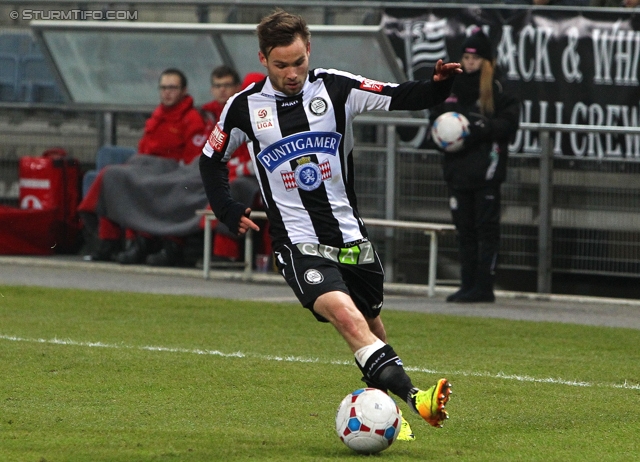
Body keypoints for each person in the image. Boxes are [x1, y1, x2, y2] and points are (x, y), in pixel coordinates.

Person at [199, 9, 461, 441]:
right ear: (263, 58)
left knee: (369, 322)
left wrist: (439, 85)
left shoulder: (337, 88)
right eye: (281, 65)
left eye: (298, 61)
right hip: (295, 242)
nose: (292, 73)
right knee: (343, 314)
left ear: (309, 50)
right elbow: (211, 159)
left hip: (349, 238)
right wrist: (227, 209)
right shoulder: (244, 107)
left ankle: (388, 413)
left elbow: (403, 96)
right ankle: (417, 397)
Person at [429, 28, 520, 303]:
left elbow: (509, 124)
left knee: (486, 229)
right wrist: (443, 134)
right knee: (464, 231)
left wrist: (480, 128)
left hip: (486, 171)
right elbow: (435, 118)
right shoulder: (451, 86)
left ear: (486, 60)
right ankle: (467, 283)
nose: (470, 62)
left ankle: (484, 286)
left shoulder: (498, 88)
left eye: (476, 57)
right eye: (466, 56)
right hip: (457, 170)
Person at [82, 68, 206, 264]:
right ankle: (109, 242)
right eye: (163, 87)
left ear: (184, 90)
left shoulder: (192, 119)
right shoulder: (157, 115)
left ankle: (162, 243)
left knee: (148, 185)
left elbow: (191, 161)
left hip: (170, 173)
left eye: (172, 88)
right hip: (145, 168)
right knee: (112, 176)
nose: (167, 92)